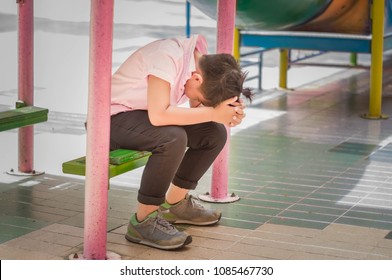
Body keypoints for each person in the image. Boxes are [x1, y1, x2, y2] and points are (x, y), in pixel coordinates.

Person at [110, 34, 252, 250]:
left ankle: (175, 205)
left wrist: (228, 114)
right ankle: (143, 222)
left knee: (213, 133)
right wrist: (214, 111)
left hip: (143, 116)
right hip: (113, 120)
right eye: (204, 99)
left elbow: (199, 113)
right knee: (173, 138)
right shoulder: (166, 57)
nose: (201, 103)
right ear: (197, 79)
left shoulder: (203, 64)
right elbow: (159, 116)